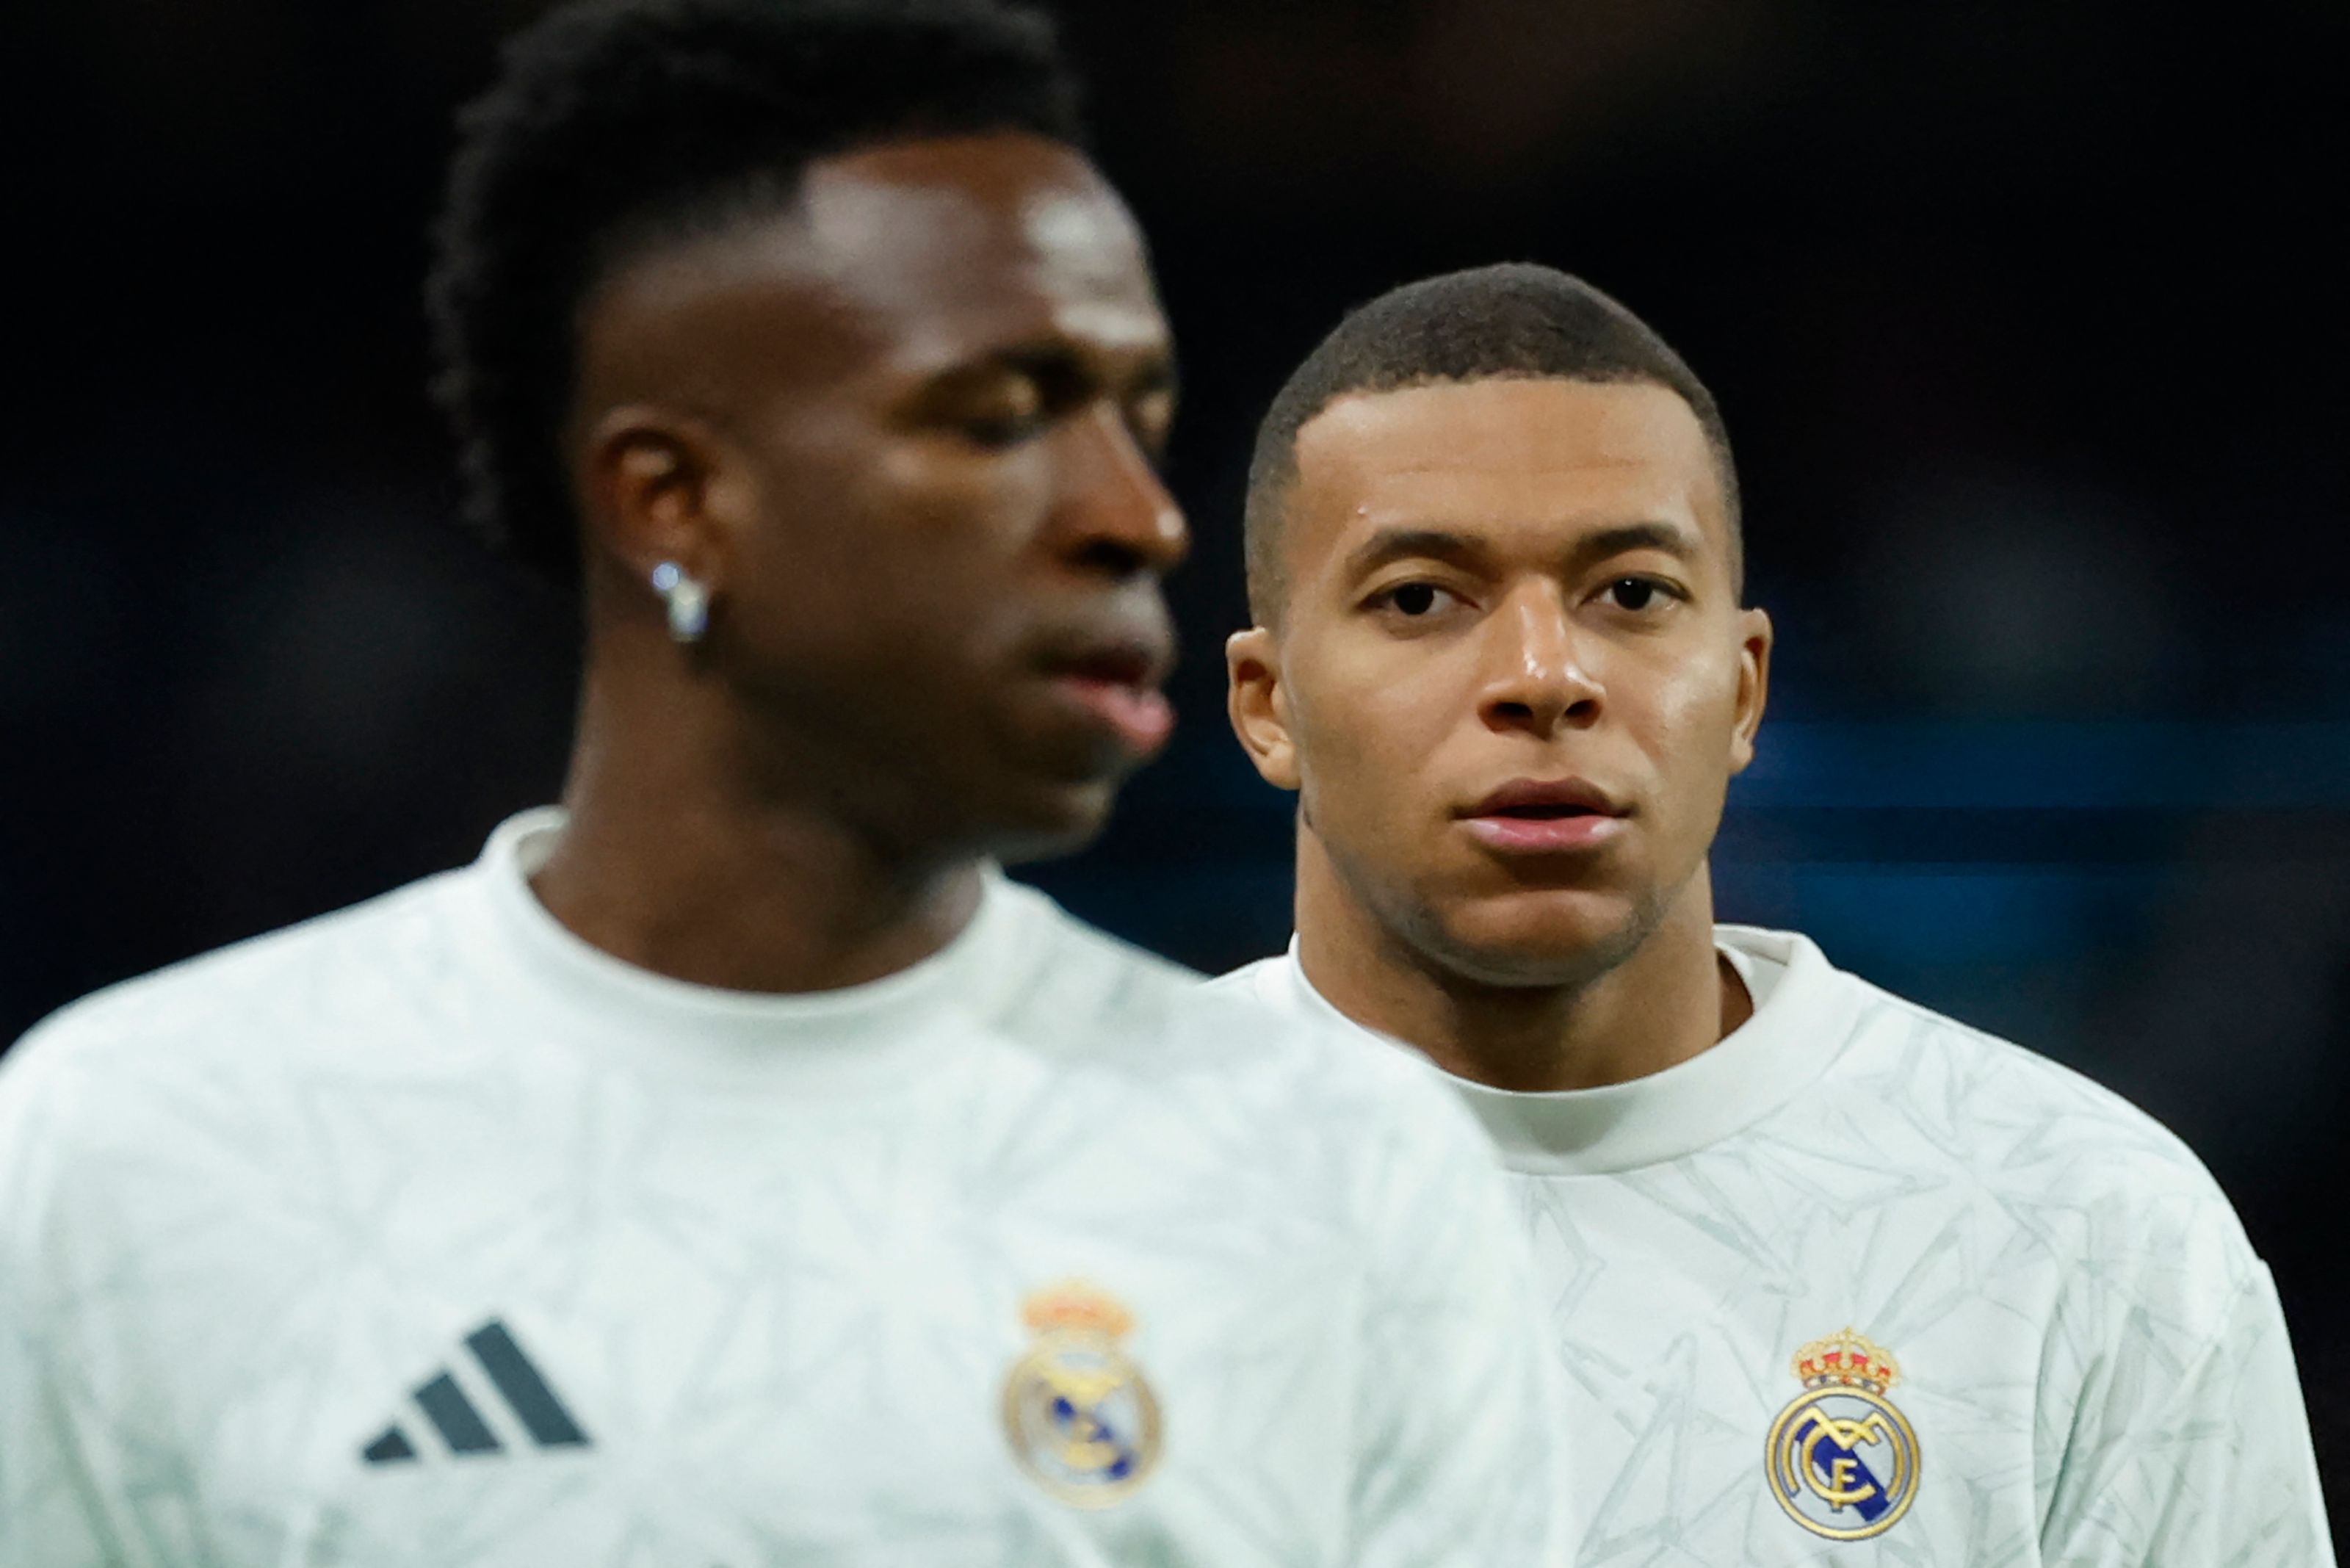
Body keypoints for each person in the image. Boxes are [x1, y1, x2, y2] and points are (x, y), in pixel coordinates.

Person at [0, 9, 1565, 1563]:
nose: (1138, 515)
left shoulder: (1335, 1167)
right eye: (999, 416)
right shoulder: (138, 1153)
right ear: (675, 505)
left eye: (1135, 415)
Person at [1210, 261, 2334, 1564]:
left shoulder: (2082, 1228)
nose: (1542, 677)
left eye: (1629, 592)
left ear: (1744, 693)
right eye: (1419, 598)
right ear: (1266, 703)